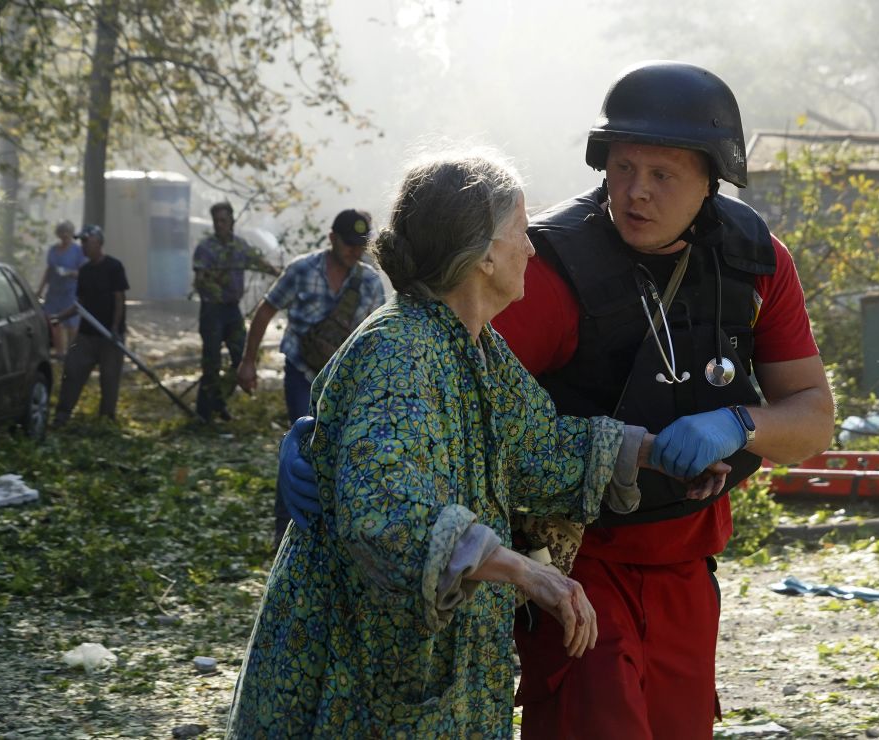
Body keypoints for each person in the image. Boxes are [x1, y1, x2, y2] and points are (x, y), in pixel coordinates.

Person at [279, 61, 836, 739]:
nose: (635, 193)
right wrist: (326, 439)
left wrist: (731, 426)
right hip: (576, 563)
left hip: (687, 570)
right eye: (623, 168)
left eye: (662, 175)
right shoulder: (544, 271)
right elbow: (424, 379)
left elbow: (541, 437)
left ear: (712, 178)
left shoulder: (756, 262)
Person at [226, 151, 728, 738]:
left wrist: (651, 449)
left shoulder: (474, 345)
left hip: (419, 665)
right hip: (359, 662)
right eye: (521, 231)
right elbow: (387, 513)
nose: (533, 250)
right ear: (484, 254)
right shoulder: (401, 353)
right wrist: (524, 571)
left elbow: (537, 446)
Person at [236, 208, 386, 546]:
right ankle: (285, 528)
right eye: (348, 244)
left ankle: (335, 527)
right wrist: (248, 362)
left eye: (360, 246)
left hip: (343, 381)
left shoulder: (370, 283)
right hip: (301, 373)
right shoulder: (302, 270)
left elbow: (378, 336)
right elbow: (265, 311)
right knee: (301, 444)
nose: (354, 251)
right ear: (332, 239)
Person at [192, 201, 279, 422]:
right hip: (212, 310)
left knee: (240, 357)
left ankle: (220, 402)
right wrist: (217, 283)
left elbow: (258, 262)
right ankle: (204, 412)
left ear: (231, 221)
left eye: (224, 220)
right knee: (211, 361)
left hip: (232, 310)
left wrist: (279, 273)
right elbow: (200, 282)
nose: (220, 225)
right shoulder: (205, 248)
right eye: (216, 221)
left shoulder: (239, 246)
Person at [51, 225, 130, 424]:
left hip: (110, 336)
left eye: (87, 241)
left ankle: (107, 420)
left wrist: (115, 328)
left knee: (109, 379)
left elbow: (119, 299)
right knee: (73, 369)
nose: (83, 246)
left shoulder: (114, 267)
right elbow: (81, 304)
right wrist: (59, 317)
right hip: (86, 334)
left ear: (98, 242)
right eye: (82, 242)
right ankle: (62, 415)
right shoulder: (84, 271)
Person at [36, 220, 86, 359]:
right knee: (54, 322)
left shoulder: (78, 251)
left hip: (70, 292)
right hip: (54, 292)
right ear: (58, 234)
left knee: (72, 324)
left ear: (71, 233)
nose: (64, 235)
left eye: (67, 232)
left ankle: (74, 353)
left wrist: (70, 273)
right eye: (62, 232)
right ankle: (60, 353)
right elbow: (49, 270)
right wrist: (40, 289)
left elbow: (84, 272)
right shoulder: (53, 250)